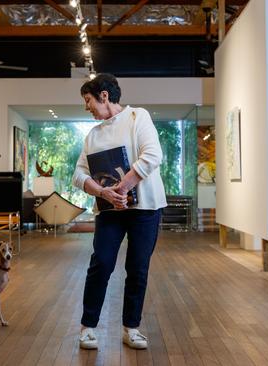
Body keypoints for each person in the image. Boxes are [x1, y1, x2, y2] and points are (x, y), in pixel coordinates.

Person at [72, 74, 167, 350]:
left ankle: (131, 328)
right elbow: (78, 174)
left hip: (145, 209)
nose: (86, 107)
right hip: (109, 211)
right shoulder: (93, 135)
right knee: (100, 264)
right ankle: (88, 327)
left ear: (104, 95)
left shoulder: (138, 117)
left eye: (88, 100)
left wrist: (121, 188)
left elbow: (152, 156)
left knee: (137, 269)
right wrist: (104, 193)